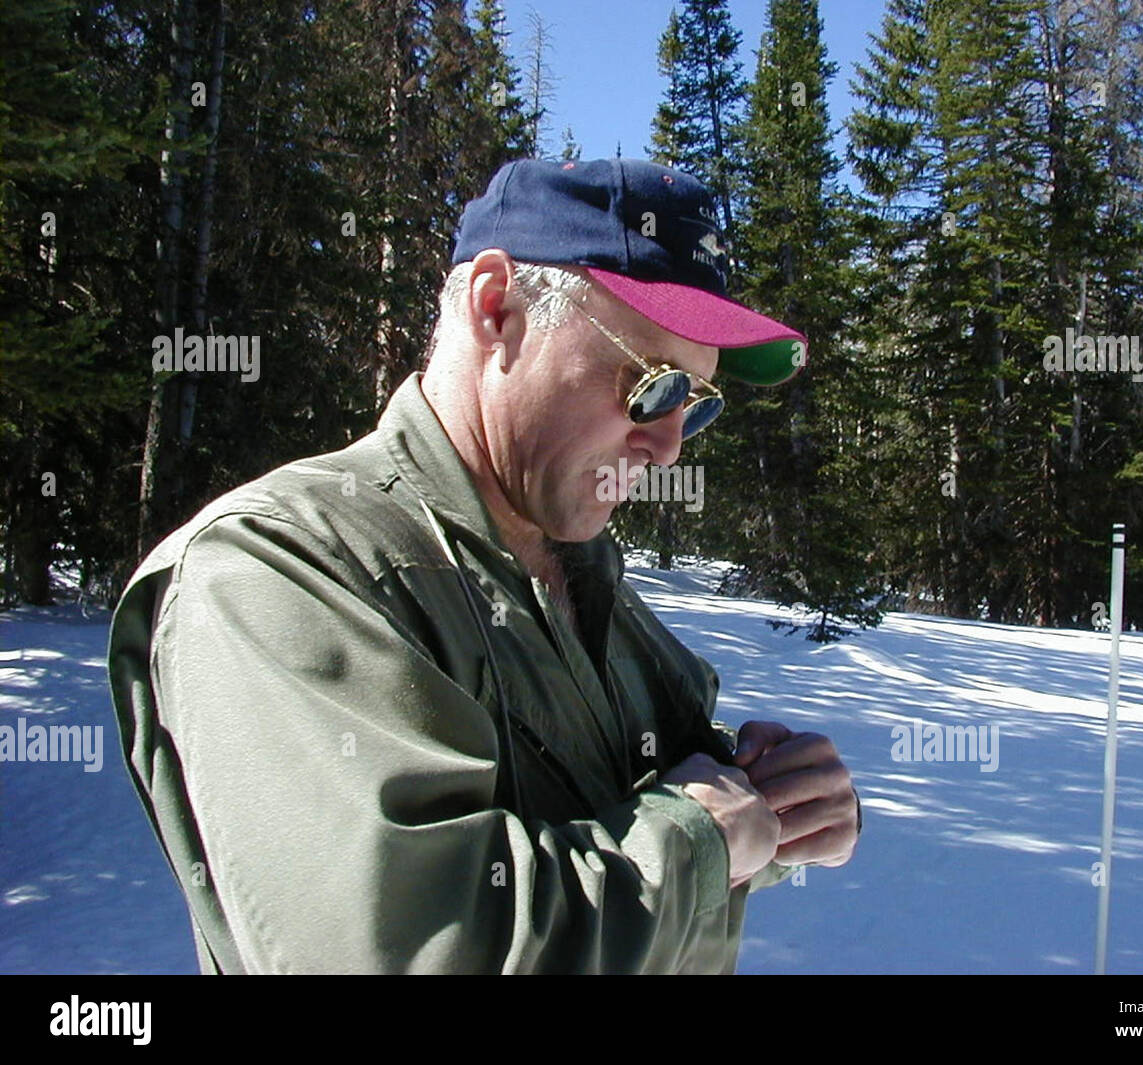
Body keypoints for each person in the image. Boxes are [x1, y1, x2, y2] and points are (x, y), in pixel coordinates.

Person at [107, 157, 861, 974]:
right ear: (497, 309)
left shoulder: (584, 574)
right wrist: (700, 840)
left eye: (697, 402)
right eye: (652, 383)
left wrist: (780, 804)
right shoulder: (278, 568)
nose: (669, 442)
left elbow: (632, 804)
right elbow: (411, 950)